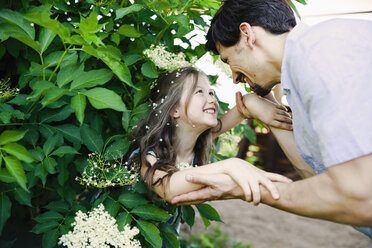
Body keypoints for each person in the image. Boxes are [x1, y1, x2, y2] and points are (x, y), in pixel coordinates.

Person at [171, 0, 372, 238]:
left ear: (247, 35)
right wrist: (265, 109)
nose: (235, 78)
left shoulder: (322, 54)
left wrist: (247, 188)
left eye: (227, 60)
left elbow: (362, 197)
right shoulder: (301, 72)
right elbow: (314, 172)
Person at [126, 67, 292, 233]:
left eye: (211, 93)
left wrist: (252, 102)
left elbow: (242, 109)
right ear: (174, 109)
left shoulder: (198, 138)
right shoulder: (148, 155)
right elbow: (168, 188)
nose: (211, 99)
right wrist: (231, 165)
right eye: (199, 92)